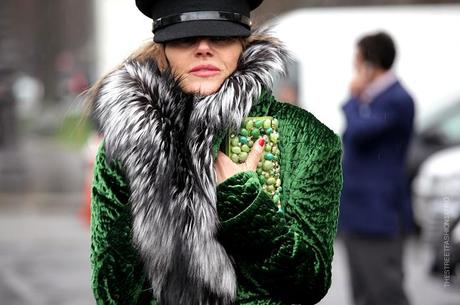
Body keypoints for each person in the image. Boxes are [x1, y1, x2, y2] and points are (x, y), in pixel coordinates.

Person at [88, 0, 343, 304]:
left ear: (242, 43)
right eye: (185, 38)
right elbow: (112, 293)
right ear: (163, 48)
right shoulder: (128, 142)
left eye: (221, 36)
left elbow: (309, 283)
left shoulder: (307, 139)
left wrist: (245, 205)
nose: (204, 48)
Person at [339, 31, 415, 305]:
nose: (355, 66)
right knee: (363, 294)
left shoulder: (397, 100)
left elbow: (358, 133)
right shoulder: (371, 100)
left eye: (358, 59)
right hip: (359, 213)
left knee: (386, 292)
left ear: (369, 63)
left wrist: (351, 98)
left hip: (379, 215)